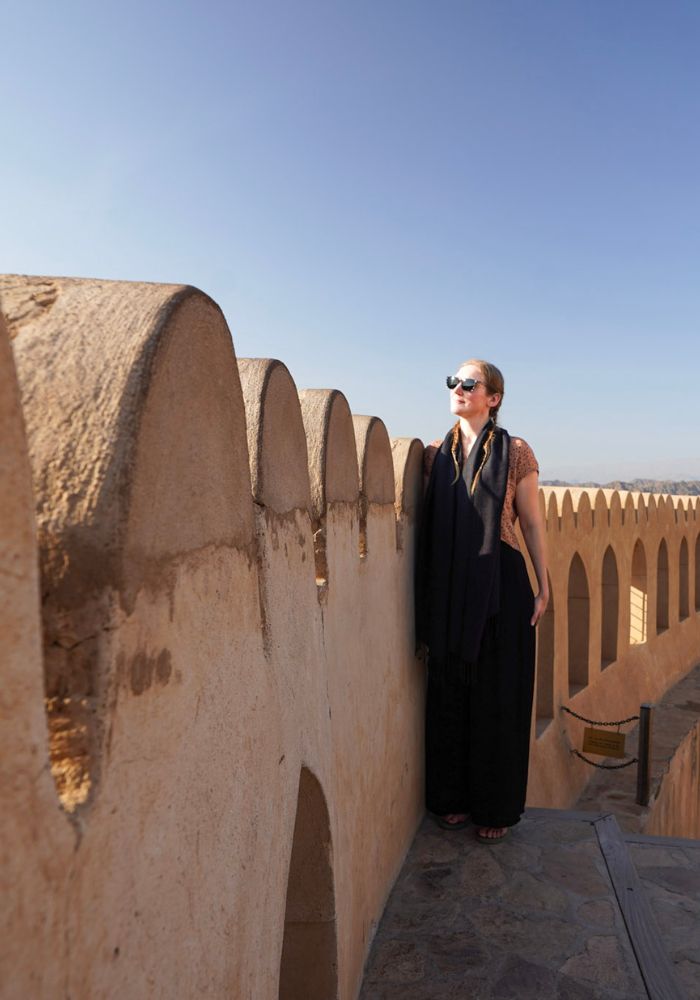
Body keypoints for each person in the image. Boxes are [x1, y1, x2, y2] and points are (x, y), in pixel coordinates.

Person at [415, 359, 548, 842]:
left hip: (502, 584)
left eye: (470, 383)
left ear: (493, 398)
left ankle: (495, 806)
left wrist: (544, 584)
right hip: (451, 585)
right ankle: (450, 797)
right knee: (449, 687)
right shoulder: (434, 454)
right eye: (453, 382)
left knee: (498, 696)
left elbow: (531, 522)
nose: (459, 389)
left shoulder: (516, 452)